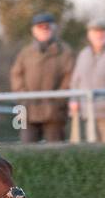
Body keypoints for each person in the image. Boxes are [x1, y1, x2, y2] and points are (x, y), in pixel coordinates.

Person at [10, 13, 75, 143]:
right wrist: (23, 96)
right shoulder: (25, 52)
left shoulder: (65, 51)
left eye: (47, 27)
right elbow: (16, 75)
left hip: (54, 111)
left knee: (56, 149)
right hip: (27, 110)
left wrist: (59, 99)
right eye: (40, 27)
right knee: (27, 149)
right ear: (33, 30)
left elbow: (70, 76)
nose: (44, 30)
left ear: (54, 28)